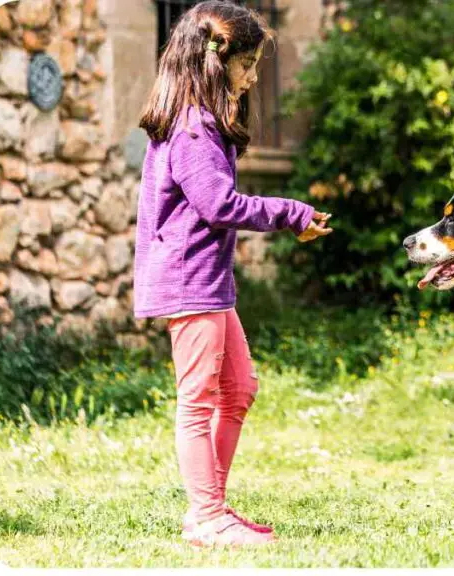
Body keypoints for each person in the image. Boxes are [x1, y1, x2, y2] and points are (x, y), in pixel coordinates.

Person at [133, 0, 331, 547]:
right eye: (246, 65)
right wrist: (290, 213)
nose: (250, 78)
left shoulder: (200, 122)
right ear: (216, 64)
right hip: (189, 283)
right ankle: (206, 516)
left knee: (239, 388)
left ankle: (213, 509)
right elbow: (220, 205)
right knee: (197, 399)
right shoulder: (194, 127)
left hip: (208, 283)